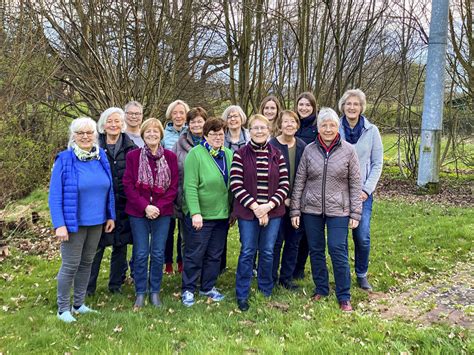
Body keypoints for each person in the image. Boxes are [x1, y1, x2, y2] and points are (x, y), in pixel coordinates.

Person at [290, 107, 362, 312]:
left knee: (338, 249)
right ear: (318, 128)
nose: (328, 129)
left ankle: (344, 295)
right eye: (324, 125)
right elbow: (300, 181)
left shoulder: (349, 151)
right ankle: (321, 288)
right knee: (316, 250)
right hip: (311, 209)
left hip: (339, 210)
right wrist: (295, 210)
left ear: (337, 127)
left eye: (331, 125)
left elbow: (356, 183)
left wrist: (355, 212)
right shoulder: (309, 150)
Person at [49, 117, 115, 323]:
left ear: (95, 135)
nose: (85, 137)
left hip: (97, 221)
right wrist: (59, 224)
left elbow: (109, 187)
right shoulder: (65, 159)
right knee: (70, 265)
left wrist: (110, 215)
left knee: (87, 262)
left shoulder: (100, 156)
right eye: (80, 133)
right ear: (73, 136)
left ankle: (79, 304)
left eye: (89, 133)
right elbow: (54, 195)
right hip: (73, 223)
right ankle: (63, 309)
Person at [231, 114, 289, 312]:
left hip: (273, 212)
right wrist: (256, 207)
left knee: (267, 251)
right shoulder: (240, 154)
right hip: (248, 213)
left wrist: (268, 206)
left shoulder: (277, 154)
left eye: (263, 128)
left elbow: (284, 184)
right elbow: (236, 185)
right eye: (255, 128)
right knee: (248, 250)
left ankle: (265, 289)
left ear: (269, 130)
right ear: (250, 131)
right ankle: (242, 293)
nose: (259, 131)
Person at [123, 118, 178, 309]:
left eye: (156, 132)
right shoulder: (133, 156)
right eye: (148, 132)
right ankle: (140, 291)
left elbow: (173, 187)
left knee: (157, 253)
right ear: (143, 135)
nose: (152, 135)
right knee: (140, 253)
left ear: (161, 135)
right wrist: (145, 206)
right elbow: (128, 185)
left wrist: (158, 208)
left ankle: (155, 291)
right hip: (138, 212)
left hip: (162, 213)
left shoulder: (170, 157)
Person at [181, 118, 233, 307]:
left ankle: (207, 286)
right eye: (214, 134)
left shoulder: (228, 154)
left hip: (221, 215)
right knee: (195, 253)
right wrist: (195, 212)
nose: (218, 137)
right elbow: (190, 186)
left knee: (214, 254)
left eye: (221, 134)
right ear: (205, 135)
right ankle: (188, 289)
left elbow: (232, 185)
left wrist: (232, 210)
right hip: (200, 216)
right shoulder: (196, 154)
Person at [87, 108, 137, 296]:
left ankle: (115, 284)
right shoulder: (94, 147)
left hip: (124, 203)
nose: (114, 125)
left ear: (122, 124)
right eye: (110, 121)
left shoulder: (131, 147)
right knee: (96, 246)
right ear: (103, 124)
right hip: (100, 204)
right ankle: (88, 286)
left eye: (117, 121)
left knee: (120, 245)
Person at [338, 89, 383, 291]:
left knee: (361, 235)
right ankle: (343, 273)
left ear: (361, 107)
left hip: (362, 193)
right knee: (339, 238)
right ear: (343, 106)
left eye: (356, 104)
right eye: (349, 104)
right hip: (338, 193)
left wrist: (367, 189)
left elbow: (377, 163)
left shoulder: (372, 131)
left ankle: (361, 273)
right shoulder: (334, 128)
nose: (352, 107)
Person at [269, 111, 307, 290]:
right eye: (286, 122)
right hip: (277, 202)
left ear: (297, 125)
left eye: (293, 122)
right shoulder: (272, 146)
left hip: (298, 203)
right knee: (276, 241)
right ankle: (271, 276)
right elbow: (267, 176)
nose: (289, 125)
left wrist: (296, 200)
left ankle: (287, 277)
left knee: (293, 241)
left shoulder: (302, 146)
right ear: (280, 125)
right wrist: (281, 198)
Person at [172, 107, 208, 257]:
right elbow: (173, 171)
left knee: (206, 238)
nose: (196, 125)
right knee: (187, 238)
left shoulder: (213, 142)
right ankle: (188, 272)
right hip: (185, 198)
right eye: (192, 122)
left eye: (200, 121)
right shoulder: (179, 144)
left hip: (208, 199)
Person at [162, 99, 190, 274]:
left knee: (184, 228)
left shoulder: (191, 133)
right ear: (170, 115)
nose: (178, 116)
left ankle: (182, 261)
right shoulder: (164, 134)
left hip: (187, 185)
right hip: (168, 185)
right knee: (168, 228)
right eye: (175, 113)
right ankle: (168, 263)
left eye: (181, 113)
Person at [292, 91, 318, 281]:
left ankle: (299, 267)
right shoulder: (293, 125)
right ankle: (289, 266)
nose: (304, 108)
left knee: (306, 231)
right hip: (292, 182)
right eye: (301, 104)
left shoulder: (317, 127)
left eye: (307, 105)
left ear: (313, 107)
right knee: (292, 229)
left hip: (311, 183)